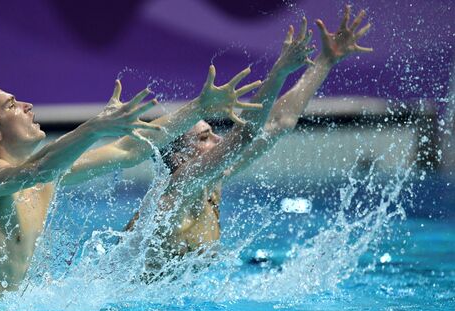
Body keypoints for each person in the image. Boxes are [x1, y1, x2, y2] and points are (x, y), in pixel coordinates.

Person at [0, 67, 263, 302]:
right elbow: (36, 170)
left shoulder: (46, 177)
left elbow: (127, 149)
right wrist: (93, 128)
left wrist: (199, 108)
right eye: (11, 105)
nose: (26, 106)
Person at [126, 6, 373, 278]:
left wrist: (325, 61)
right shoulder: (176, 191)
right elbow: (245, 134)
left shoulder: (210, 185)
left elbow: (279, 123)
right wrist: (278, 72)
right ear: (180, 159)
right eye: (204, 138)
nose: (218, 138)